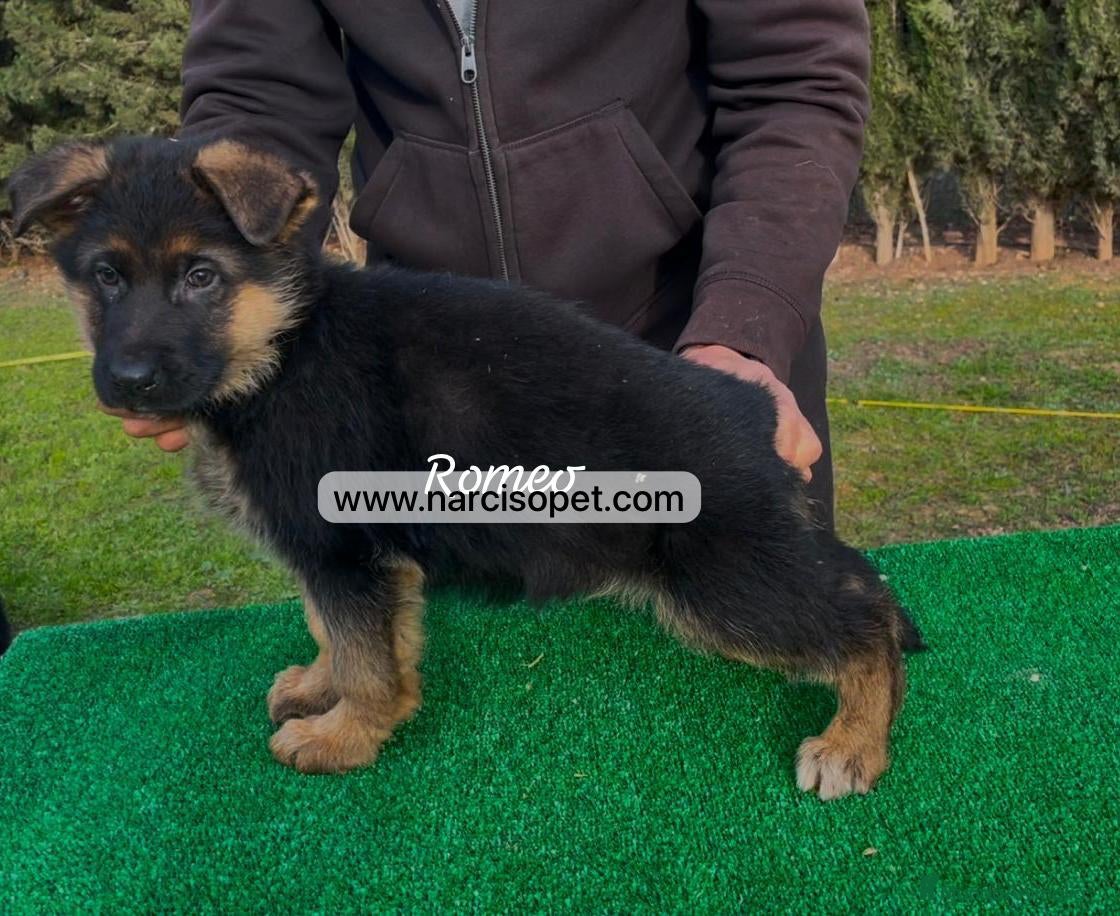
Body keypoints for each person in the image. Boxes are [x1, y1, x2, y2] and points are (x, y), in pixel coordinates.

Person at [109, 0, 869, 531]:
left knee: (744, 646)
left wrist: (742, 330)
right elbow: (258, 101)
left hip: (679, 353)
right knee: (476, 671)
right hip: (434, 382)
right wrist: (204, 312)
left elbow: (795, 75)